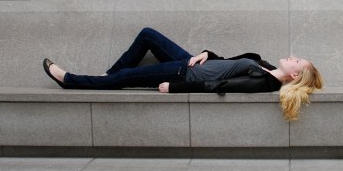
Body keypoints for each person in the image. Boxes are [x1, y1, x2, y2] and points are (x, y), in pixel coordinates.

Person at [43, 27, 323, 121]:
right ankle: (107, 78)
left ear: (295, 75)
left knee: (128, 77)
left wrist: (175, 89)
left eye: (296, 60)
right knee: (148, 35)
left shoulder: (262, 82)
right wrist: (206, 53)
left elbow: (220, 84)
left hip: (184, 75)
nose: (291, 56)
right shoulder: (263, 64)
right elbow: (226, 62)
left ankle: (69, 80)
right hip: (190, 62)